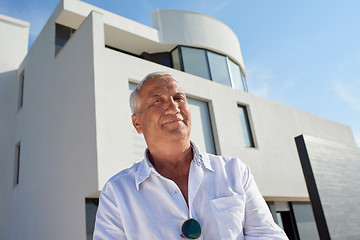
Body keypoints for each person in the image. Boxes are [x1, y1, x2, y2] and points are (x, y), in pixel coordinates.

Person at [93, 72, 288, 240]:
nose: (173, 107)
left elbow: (268, 235)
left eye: (179, 98)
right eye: (157, 100)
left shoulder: (234, 171)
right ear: (137, 123)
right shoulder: (117, 193)